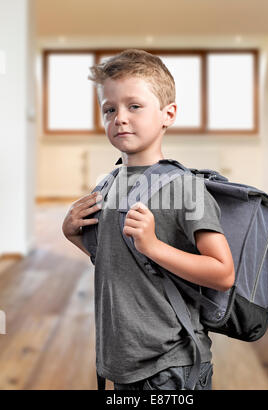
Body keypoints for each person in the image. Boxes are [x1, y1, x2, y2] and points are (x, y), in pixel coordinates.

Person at [62, 49, 235, 390]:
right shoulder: (107, 184)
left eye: (134, 106)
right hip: (121, 359)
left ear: (168, 114)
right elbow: (118, 262)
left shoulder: (185, 188)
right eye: (109, 109)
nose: (119, 117)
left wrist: (153, 245)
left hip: (170, 364)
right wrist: (73, 235)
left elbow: (223, 273)